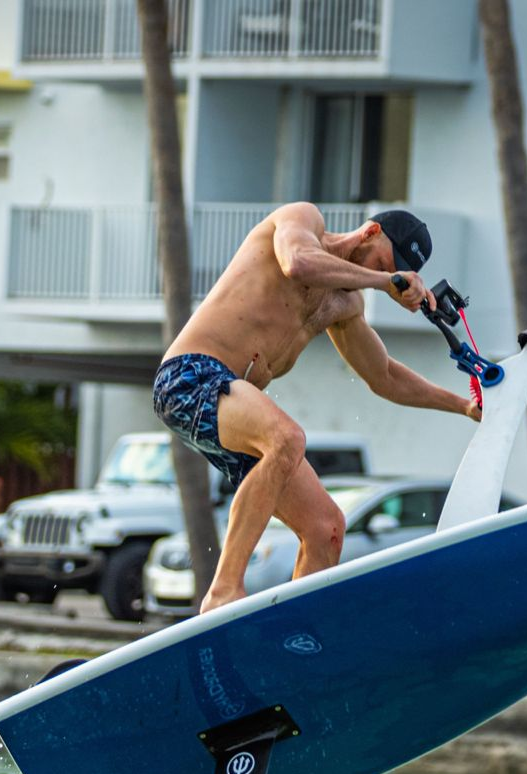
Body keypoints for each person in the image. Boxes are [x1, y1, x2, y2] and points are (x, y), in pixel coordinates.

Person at [152, 205, 480, 613]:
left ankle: (292, 639)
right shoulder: (303, 221)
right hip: (188, 376)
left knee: (326, 528)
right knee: (287, 438)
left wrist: (464, 406)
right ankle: (222, 592)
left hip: (231, 409)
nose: (387, 273)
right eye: (387, 260)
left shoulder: (345, 306)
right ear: (370, 232)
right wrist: (383, 279)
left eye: (398, 271)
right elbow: (297, 264)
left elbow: (385, 377)